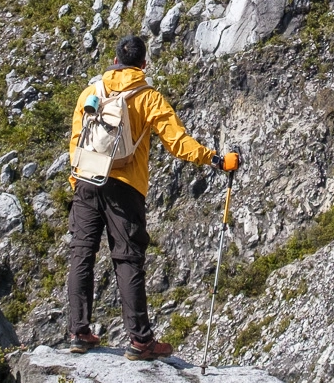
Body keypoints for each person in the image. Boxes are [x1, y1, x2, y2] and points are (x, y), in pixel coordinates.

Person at [65, 33, 233, 361]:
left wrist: (77, 181)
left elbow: (76, 139)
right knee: (127, 258)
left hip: (86, 179)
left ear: (115, 61)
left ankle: (78, 332)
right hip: (125, 187)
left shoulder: (91, 92)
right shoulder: (148, 97)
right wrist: (214, 158)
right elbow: (177, 142)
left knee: (81, 254)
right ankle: (140, 341)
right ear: (144, 64)